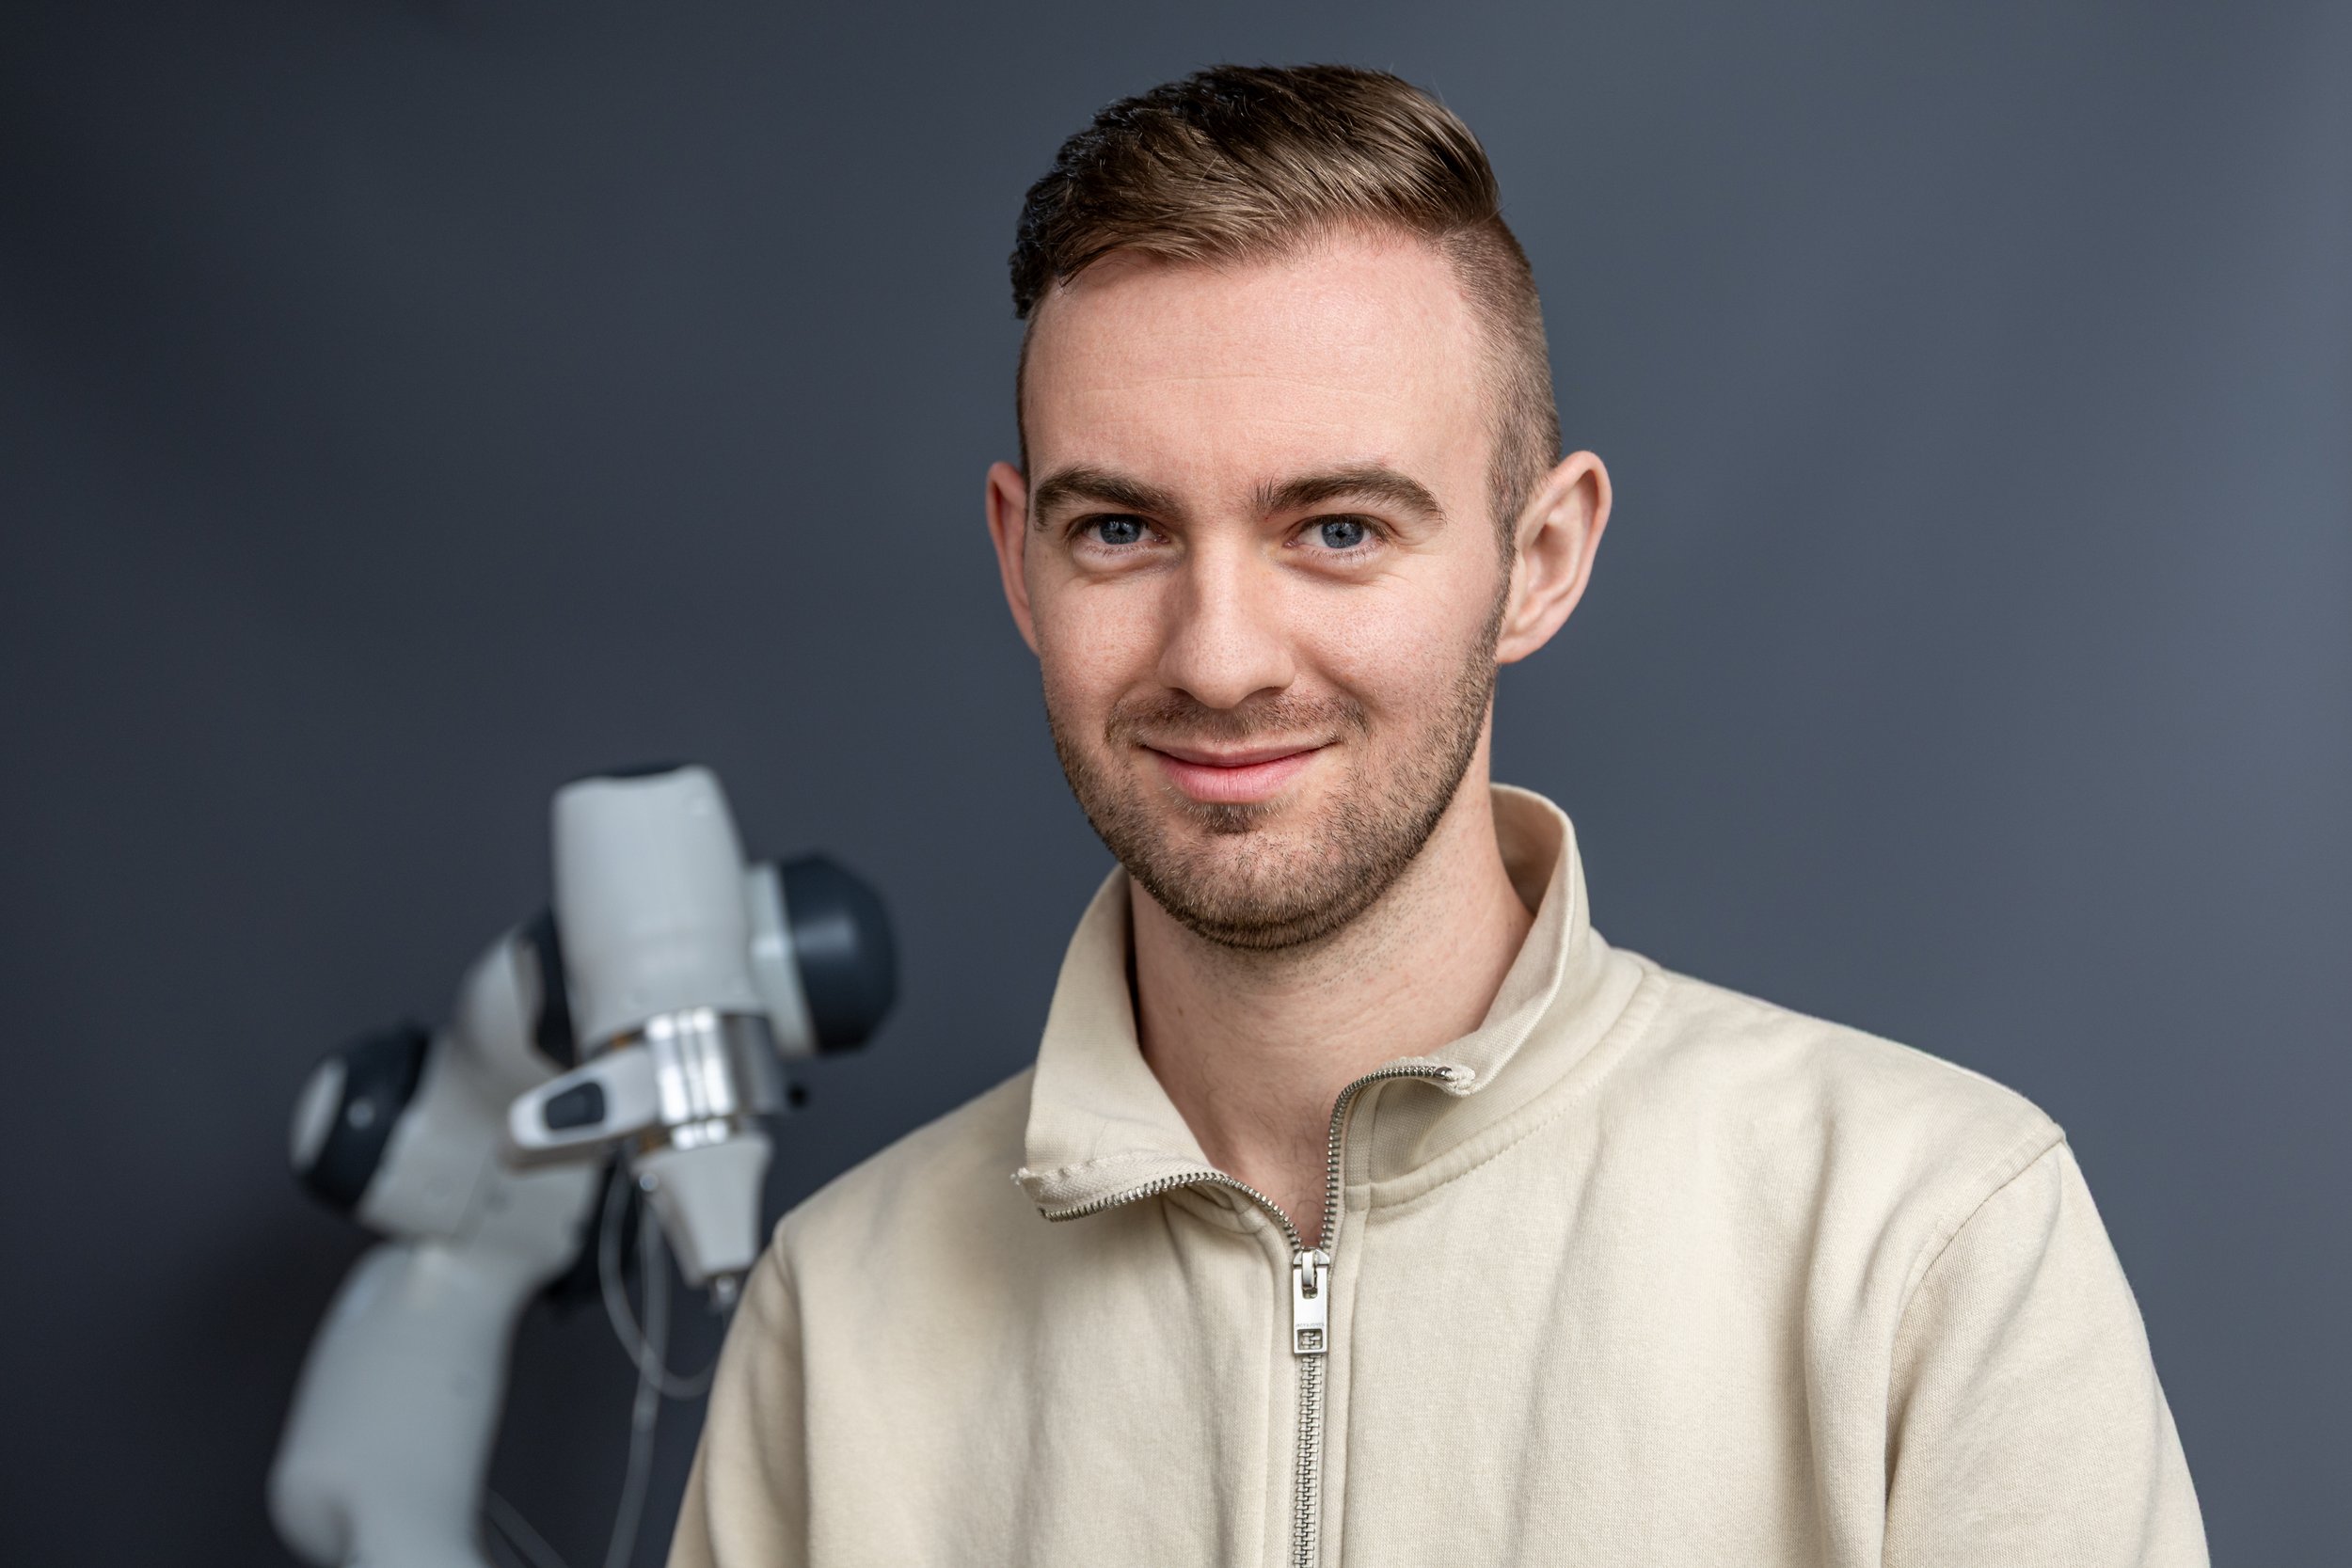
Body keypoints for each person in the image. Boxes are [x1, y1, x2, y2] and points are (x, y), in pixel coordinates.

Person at [669, 64, 2204, 1566]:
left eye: (1338, 529)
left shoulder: (1926, 1240)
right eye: (1122, 529)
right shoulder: (837, 1322)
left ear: (1539, 559)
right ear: (1021, 561)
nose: (1218, 657)